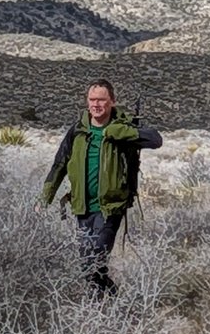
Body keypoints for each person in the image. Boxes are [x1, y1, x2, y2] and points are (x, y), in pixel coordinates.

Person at [39, 78, 162, 296]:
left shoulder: (123, 126)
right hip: (82, 207)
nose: (96, 104)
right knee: (88, 266)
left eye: (102, 100)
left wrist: (120, 132)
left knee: (95, 259)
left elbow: (155, 140)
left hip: (110, 208)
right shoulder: (77, 130)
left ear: (112, 101)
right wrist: (44, 199)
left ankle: (101, 306)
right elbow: (59, 165)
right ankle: (111, 299)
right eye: (92, 99)